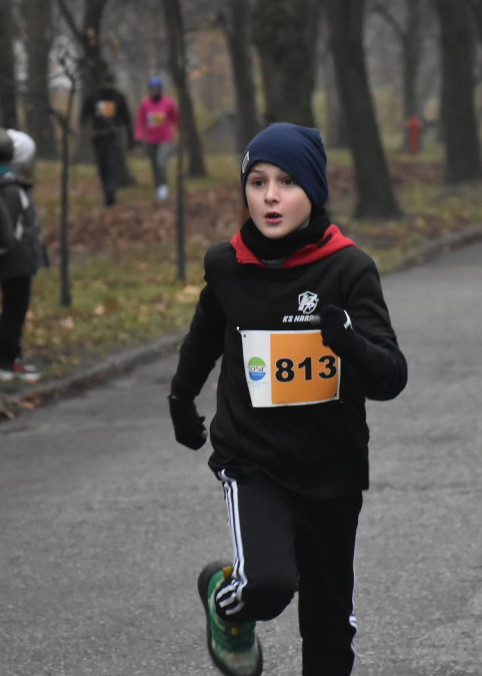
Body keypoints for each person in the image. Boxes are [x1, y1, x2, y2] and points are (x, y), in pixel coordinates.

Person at [168, 122, 408, 676]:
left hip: (334, 468)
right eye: (257, 182)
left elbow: (391, 377)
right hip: (254, 461)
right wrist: (182, 398)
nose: (270, 197)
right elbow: (205, 335)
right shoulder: (227, 265)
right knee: (270, 585)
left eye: (287, 182)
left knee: (328, 628)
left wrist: (348, 341)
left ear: (314, 191)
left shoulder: (349, 268)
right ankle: (225, 602)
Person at [0, 129, 49, 381]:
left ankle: (11, 356)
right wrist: (2, 254)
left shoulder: (5, 184)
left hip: (16, 260)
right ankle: (7, 360)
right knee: (14, 309)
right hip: (15, 261)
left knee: (15, 308)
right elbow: (9, 228)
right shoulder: (11, 188)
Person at [80, 70, 134, 207]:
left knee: (112, 164)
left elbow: (126, 118)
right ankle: (106, 193)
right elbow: (85, 111)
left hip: (113, 137)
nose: (109, 86)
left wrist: (130, 138)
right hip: (98, 137)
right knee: (102, 166)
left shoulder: (118, 97)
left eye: (111, 83)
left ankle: (111, 192)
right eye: (107, 83)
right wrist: (83, 121)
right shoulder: (94, 96)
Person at [134, 76, 179, 201]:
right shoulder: (145, 104)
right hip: (150, 140)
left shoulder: (168, 103)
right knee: (154, 166)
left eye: (156, 89)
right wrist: (138, 135)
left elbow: (176, 119)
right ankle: (158, 187)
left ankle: (164, 187)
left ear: (160, 89)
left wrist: (182, 132)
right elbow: (140, 121)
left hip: (165, 139)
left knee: (161, 163)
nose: (154, 91)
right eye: (152, 89)